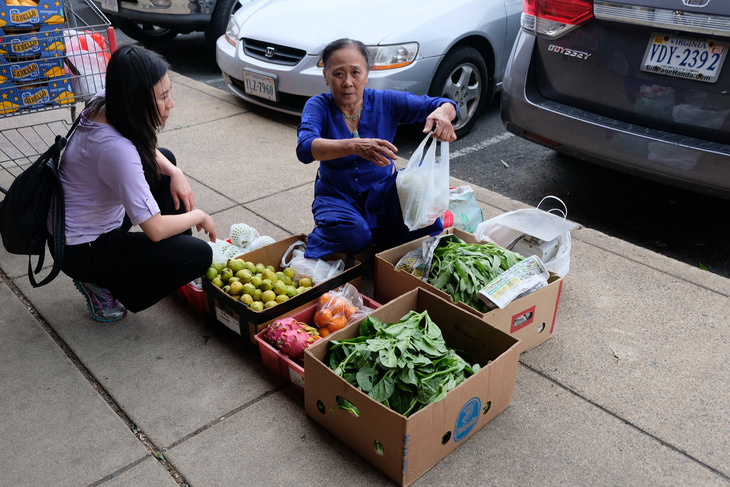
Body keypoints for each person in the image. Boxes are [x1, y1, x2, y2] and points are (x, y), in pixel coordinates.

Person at [54, 44, 217, 322]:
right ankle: (106, 288)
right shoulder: (115, 150)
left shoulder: (107, 101)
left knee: (165, 162)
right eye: (163, 97)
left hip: (85, 220)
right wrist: (199, 215)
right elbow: (154, 229)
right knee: (199, 255)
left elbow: (144, 147)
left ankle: (170, 258)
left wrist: (175, 172)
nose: (171, 104)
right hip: (84, 249)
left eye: (169, 93)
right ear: (137, 99)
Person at [296, 38, 458, 260]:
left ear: (367, 74)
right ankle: (359, 240)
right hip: (337, 195)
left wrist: (443, 113)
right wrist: (354, 146)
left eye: (355, 72)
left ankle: (383, 244)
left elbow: (443, 104)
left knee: (422, 216)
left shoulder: (385, 101)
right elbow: (305, 148)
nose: (348, 82)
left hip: (385, 194)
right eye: (338, 74)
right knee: (353, 233)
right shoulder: (318, 106)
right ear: (325, 76)